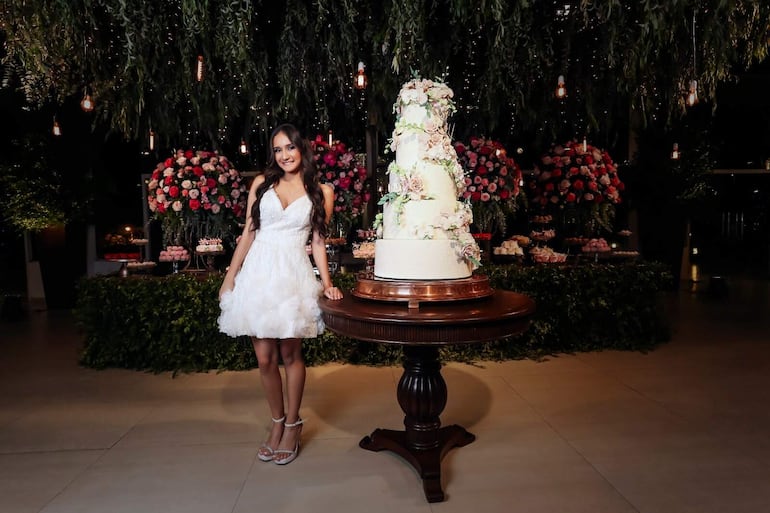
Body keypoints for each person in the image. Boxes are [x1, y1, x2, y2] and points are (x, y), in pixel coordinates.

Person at [218, 123, 343, 465]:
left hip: (292, 273)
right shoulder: (261, 183)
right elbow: (248, 233)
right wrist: (230, 277)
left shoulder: (322, 191)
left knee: (291, 356)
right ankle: (276, 422)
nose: (284, 155)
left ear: (302, 149)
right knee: (264, 358)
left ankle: (293, 423)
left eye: (290, 147)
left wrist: (327, 282)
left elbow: (318, 242)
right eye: (278, 149)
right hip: (259, 273)